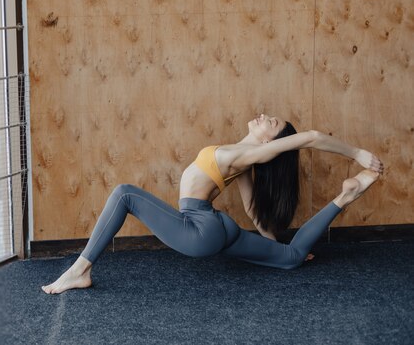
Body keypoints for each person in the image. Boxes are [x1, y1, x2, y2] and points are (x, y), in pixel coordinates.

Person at [41, 113, 384, 294]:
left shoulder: (249, 154)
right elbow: (251, 211)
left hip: (200, 229)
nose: (264, 116)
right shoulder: (243, 159)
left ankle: (80, 270)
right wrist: (272, 246)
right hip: (218, 228)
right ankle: (346, 195)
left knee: (124, 194)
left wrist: (357, 153)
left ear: (272, 141)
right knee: (291, 259)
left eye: (272, 122)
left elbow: (308, 138)